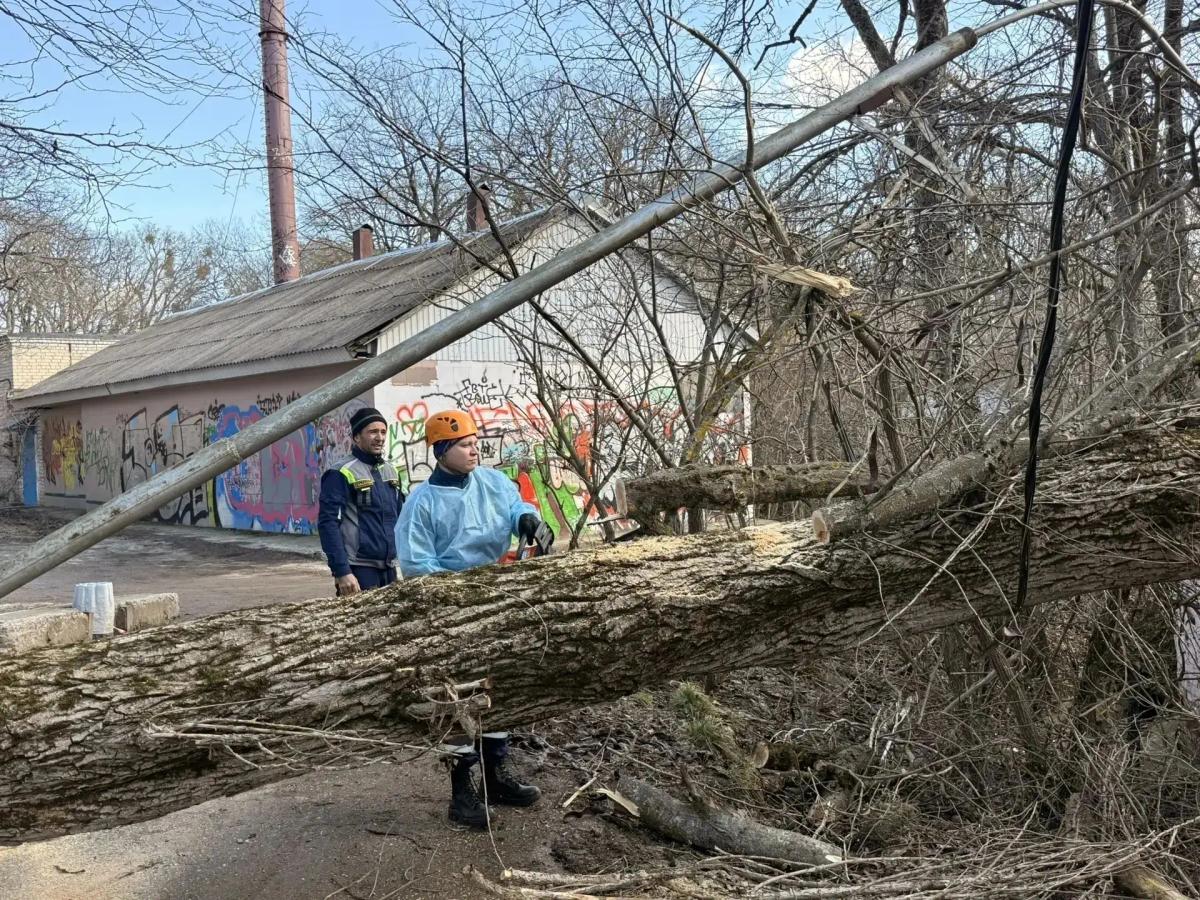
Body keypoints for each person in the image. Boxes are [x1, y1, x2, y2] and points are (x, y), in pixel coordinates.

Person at [395, 408, 553, 828]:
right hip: (450, 607)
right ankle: (461, 794)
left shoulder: (490, 481)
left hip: (496, 594)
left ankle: (497, 776)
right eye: (464, 445)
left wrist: (527, 519)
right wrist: (458, 590)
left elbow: (514, 502)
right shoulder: (422, 503)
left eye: (474, 443)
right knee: (458, 695)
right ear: (442, 450)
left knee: (498, 683)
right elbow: (415, 563)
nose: (474, 451)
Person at [317, 407, 404, 596]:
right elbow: (328, 524)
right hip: (359, 570)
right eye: (372, 432)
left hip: (389, 568)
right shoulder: (340, 473)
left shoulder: (391, 471)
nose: (379, 437)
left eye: (383, 432)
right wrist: (342, 571)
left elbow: (401, 520)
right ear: (357, 437)